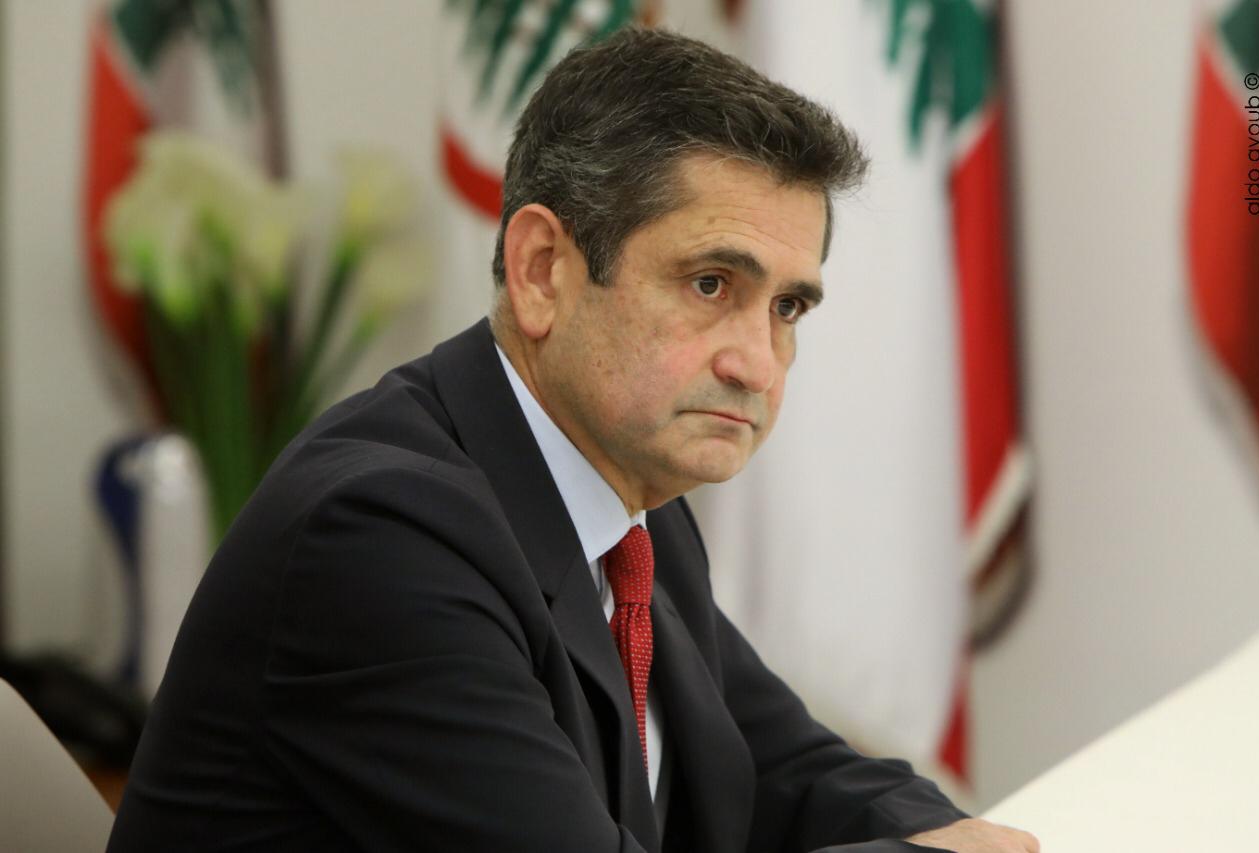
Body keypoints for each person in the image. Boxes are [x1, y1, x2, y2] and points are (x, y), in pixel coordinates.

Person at [107, 27, 1039, 853]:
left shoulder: (630, 499)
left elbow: (784, 768)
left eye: (787, 307)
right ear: (542, 270)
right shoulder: (377, 534)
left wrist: (961, 838)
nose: (758, 364)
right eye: (711, 284)